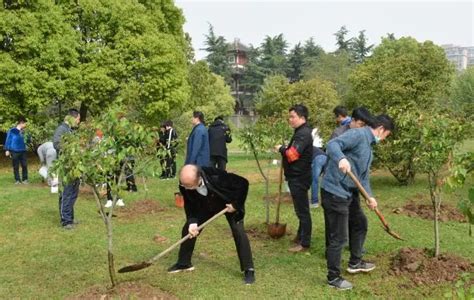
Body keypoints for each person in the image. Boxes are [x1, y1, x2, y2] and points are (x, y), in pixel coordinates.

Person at [321, 114, 395, 290]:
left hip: (350, 192)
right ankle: (333, 278)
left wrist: (369, 197)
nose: (383, 139)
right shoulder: (358, 135)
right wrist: (341, 158)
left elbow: (363, 178)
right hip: (334, 191)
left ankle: (355, 262)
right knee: (338, 237)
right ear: (381, 130)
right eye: (386, 136)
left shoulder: (368, 146)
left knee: (360, 223)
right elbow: (332, 145)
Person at [168, 164, 255, 285]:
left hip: (228, 204)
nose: (185, 188)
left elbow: (243, 183)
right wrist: (192, 222)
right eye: (184, 185)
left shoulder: (216, 176)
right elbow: (189, 204)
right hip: (206, 205)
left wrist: (235, 204)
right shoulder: (185, 183)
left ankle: (248, 269)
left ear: (198, 179)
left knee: (238, 231)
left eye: (188, 186)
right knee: (187, 230)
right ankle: (184, 263)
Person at [275, 104, 313, 252]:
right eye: (289, 116)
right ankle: (300, 235)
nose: (290, 119)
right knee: (300, 210)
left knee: (302, 211)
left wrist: (281, 149)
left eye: (293, 117)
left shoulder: (303, 133)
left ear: (302, 118)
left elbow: (292, 155)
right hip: (296, 177)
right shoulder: (300, 132)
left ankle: (305, 242)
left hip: (300, 178)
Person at [53, 109, 81, 230]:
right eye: (78, 119)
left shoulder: (70, 130)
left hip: (73, 166)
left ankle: (70, 218)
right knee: (66, 193)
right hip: (65, 166)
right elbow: (56, 144)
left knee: (73, 193)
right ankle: (66, 221)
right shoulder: (61, 129)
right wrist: (69, 148)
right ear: (72, 118)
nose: (79, 122)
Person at [4, 116, 29, 184]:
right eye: (25, 123)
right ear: (21, 123)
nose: (25, 125)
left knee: (24, 165)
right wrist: (7, 149)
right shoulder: (12, 131)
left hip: (23, 150)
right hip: (14, 151)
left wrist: (28, 136)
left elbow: (28, 140)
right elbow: (8, 140)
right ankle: (17, 180)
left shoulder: (24, 132)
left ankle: (25, 179)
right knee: (16, 166)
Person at [310, 128, 327, 208]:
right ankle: (326, 201)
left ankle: (314, 202)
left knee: (314, 180)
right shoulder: (313, 147)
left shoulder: (305, 148)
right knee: (326, 180)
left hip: (318, 159)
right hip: (326, 158)